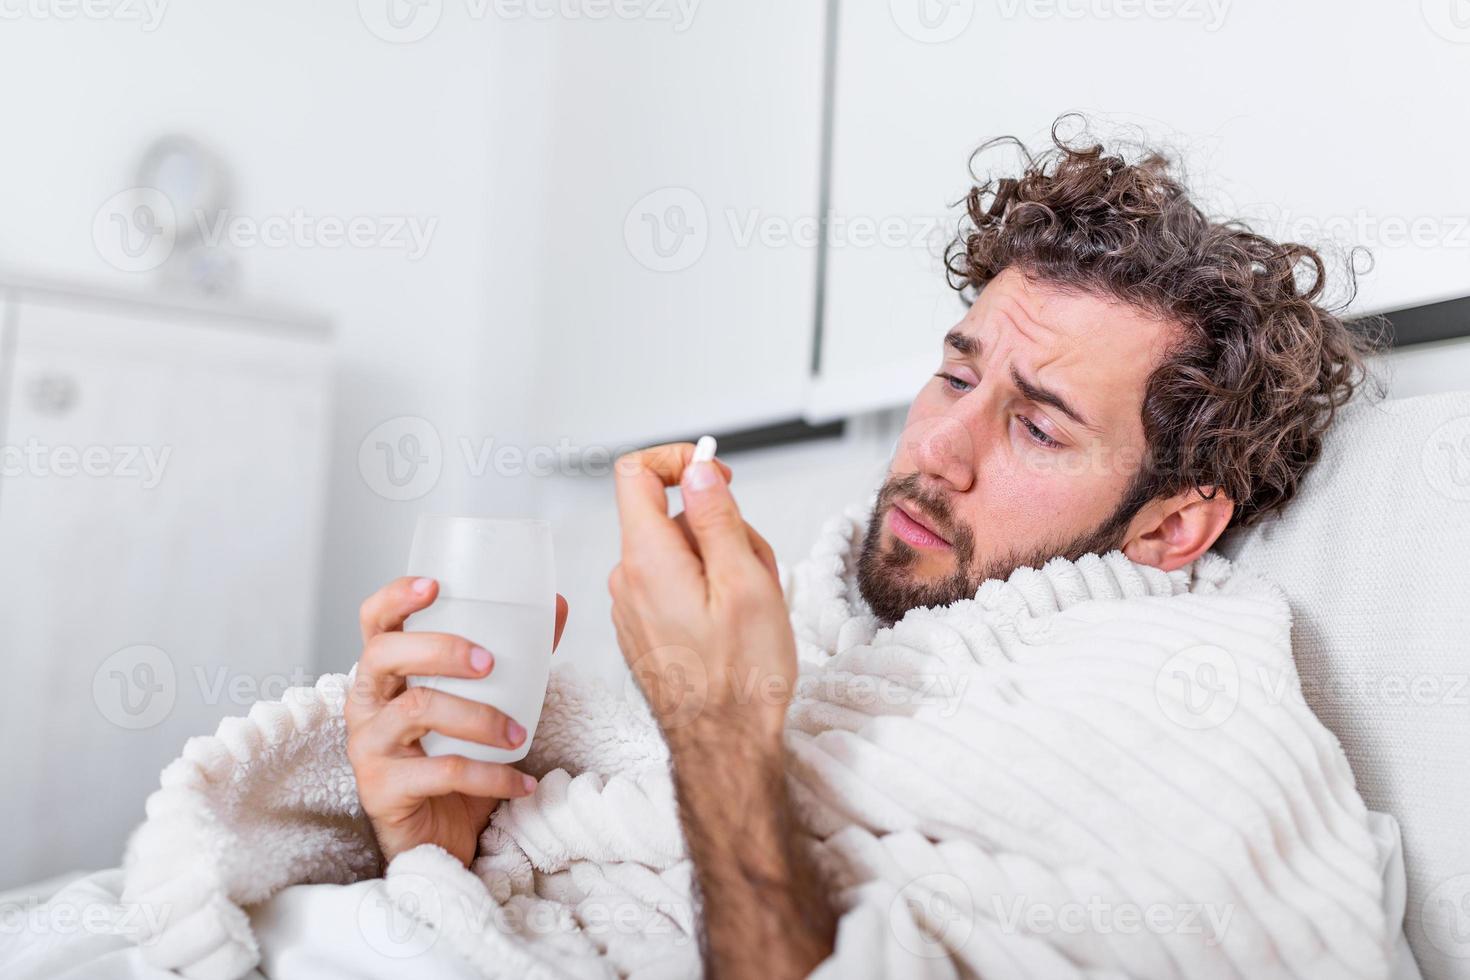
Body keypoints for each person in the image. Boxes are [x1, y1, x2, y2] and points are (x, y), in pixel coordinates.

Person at [344, 121, 1380, 977]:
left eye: (1037, 425)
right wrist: (443, 849)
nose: (938, 446)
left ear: (1171, 525)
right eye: (958, 375)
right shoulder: (822, 616)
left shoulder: (1188, 728)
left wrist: (716, 716)